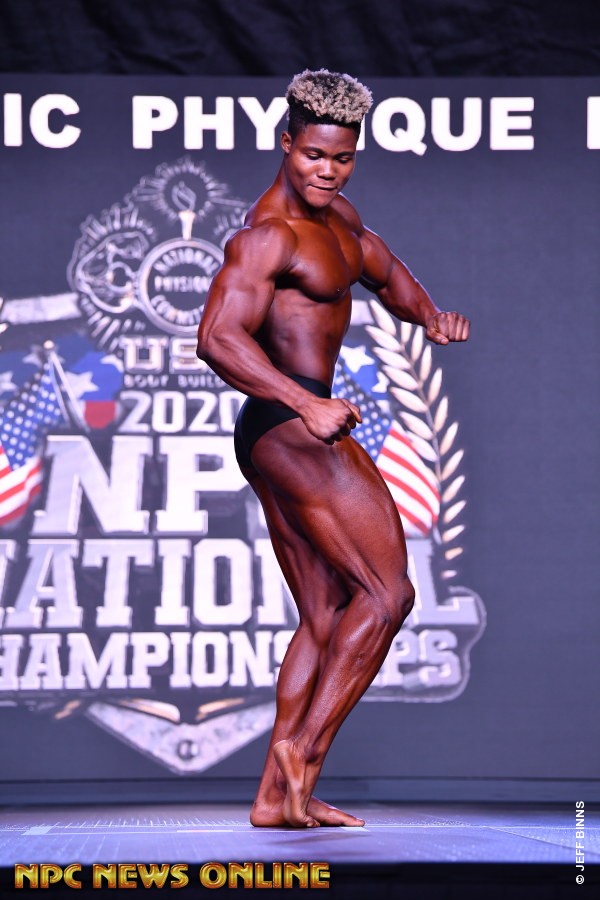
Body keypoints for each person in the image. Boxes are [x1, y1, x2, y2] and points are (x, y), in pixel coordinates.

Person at [197, 69, 470, 828]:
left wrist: (430, 316)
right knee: (387, 595)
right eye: (313, 154)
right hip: (289, 422)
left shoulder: (339, 218)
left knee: (323, 614)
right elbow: (216, 338)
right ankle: (304, 758)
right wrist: (305, 403)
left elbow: (380, 267)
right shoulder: (267, 236)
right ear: (287, 143)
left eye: (342, 158)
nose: (327, 170)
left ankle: (274, 801)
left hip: (284, 425)